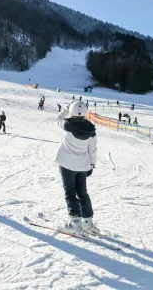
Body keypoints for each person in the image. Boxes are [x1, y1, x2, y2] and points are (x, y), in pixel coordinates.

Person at [55, 101, 98, 236]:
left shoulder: (67, 125)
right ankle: (88, 223)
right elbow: (93, 150)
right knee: (82, 193)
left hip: (67, 164)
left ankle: (75, 224)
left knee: (70, 192)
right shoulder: (91, 130)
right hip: (82, 166)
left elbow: (58, 119)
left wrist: (66, 109)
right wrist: (92, 165)